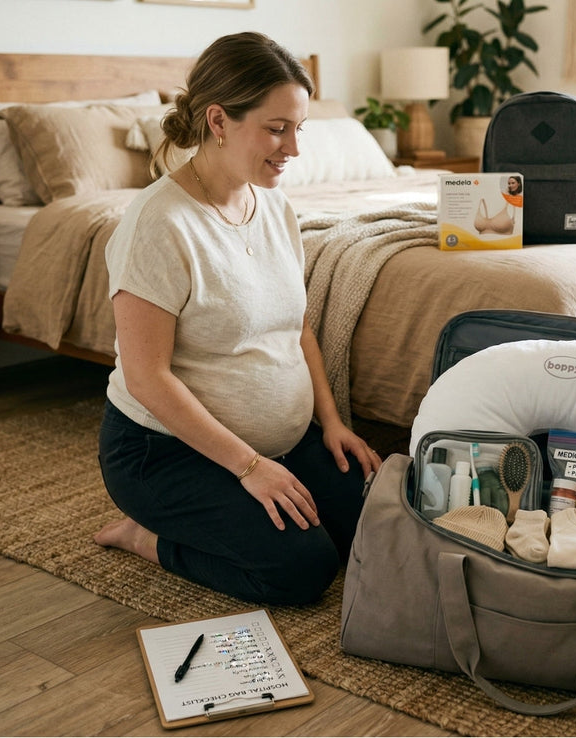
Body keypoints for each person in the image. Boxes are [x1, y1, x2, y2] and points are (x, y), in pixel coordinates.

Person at [93, 32, 381, 606]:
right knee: (303, 571)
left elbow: (296, 328)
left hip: (282, 444)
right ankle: (147, 537)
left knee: (376, 528)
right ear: (219, 121)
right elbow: (149, 379)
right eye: (277, 128)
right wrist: (250, 467)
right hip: (165, 453)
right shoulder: (159, 224)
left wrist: (331, 422)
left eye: (300, 128)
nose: (293, 148)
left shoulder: (272, 203)